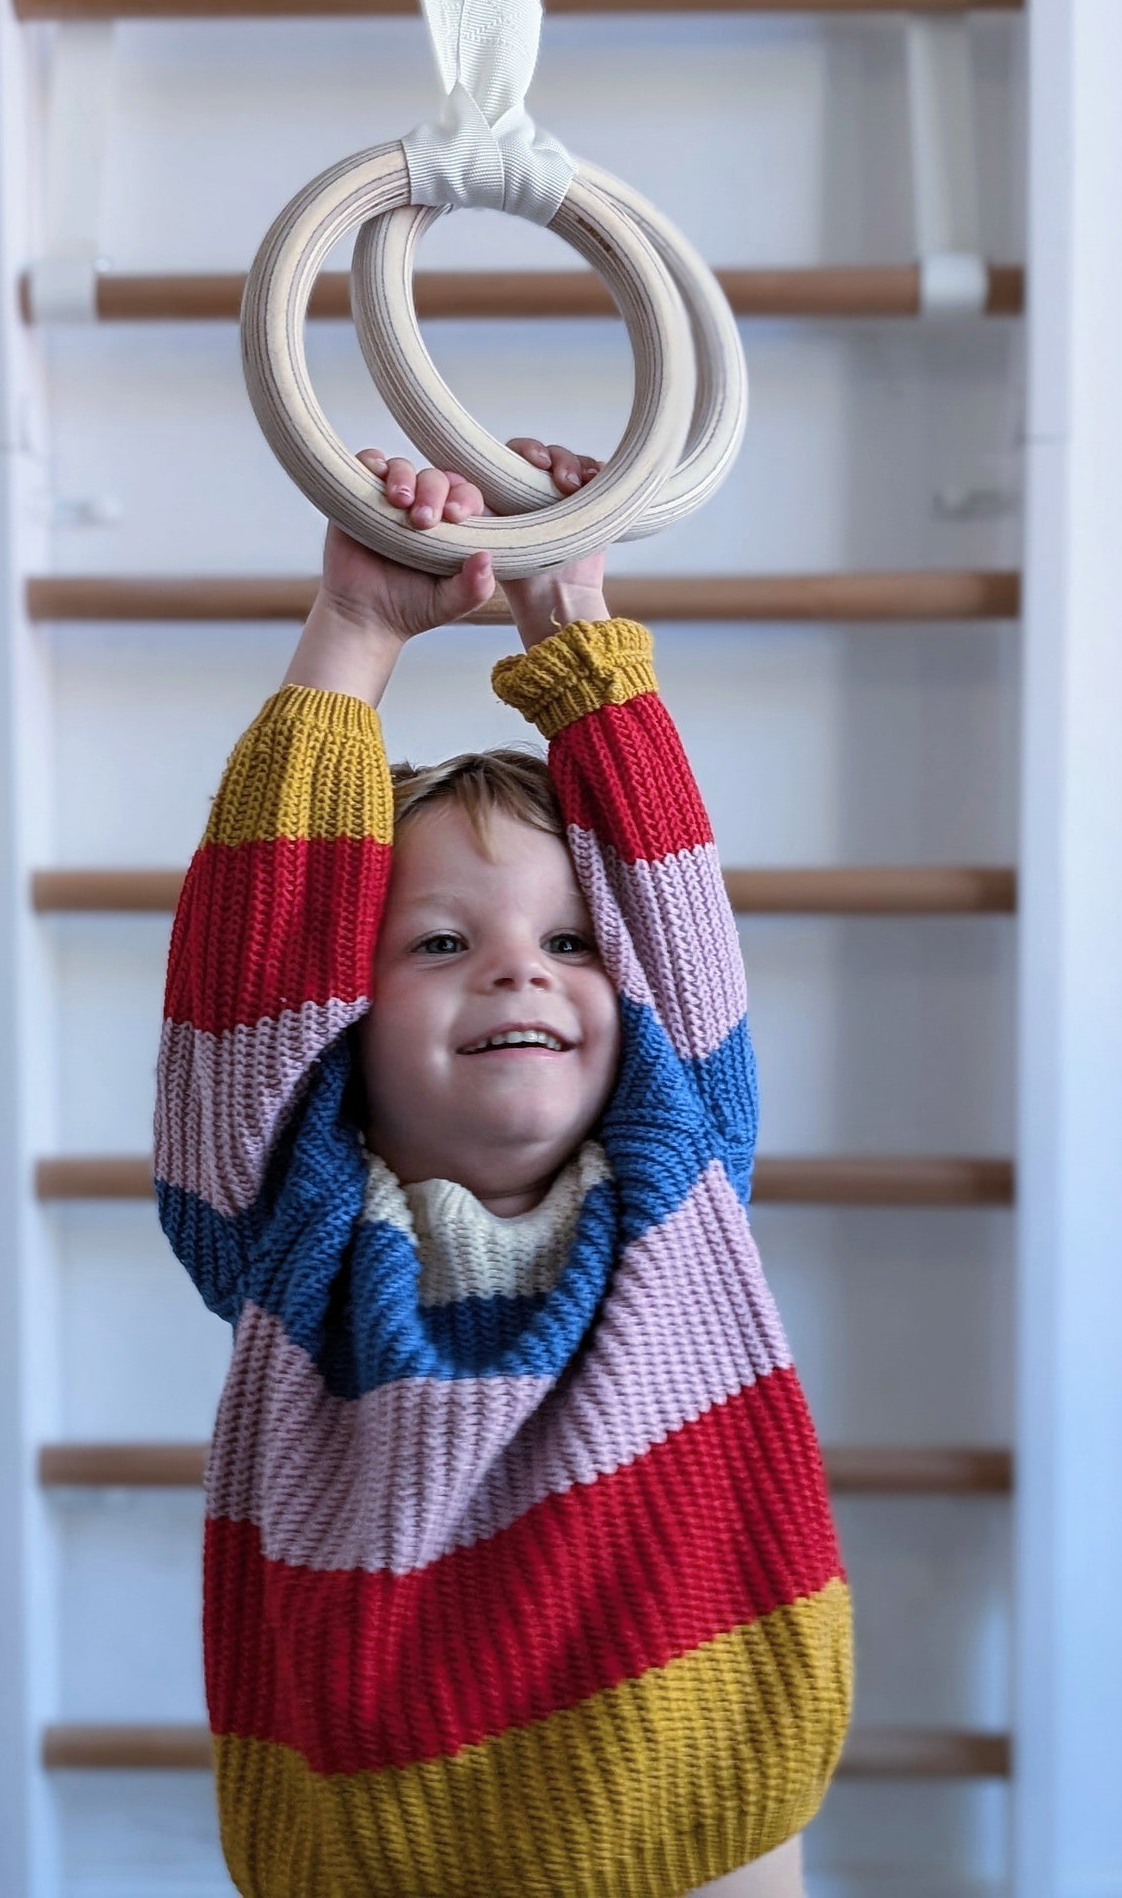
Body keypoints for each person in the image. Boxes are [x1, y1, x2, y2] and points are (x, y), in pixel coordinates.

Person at [154, 436, 854, 1897]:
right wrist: (350, 633)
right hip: (395, 1835)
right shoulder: (294, 1222)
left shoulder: (682, 1172)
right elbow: (253, 965)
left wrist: (576, 630)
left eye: (567, 943)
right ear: (341, 1014)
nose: (518, 977)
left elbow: (670, 912)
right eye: (443, 943)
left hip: (702, 1804)